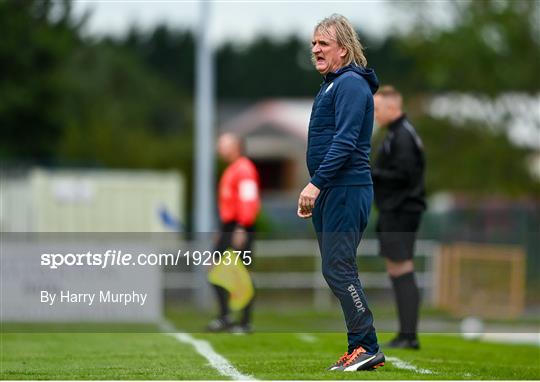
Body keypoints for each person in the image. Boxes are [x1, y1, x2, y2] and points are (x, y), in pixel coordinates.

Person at [297, 14, 384, 372]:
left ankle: (367, 346)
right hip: (334, 190)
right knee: (335, 269)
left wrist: (316, 184)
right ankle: (360, 347)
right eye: (314, 43)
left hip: (345, 188)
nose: (315, 49)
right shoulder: (332, 84)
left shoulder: (349, 84)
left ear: (343, 49)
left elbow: (346, 141)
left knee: (338, 267)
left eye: (324, 44)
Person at [372, 85, 426, 349]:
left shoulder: (403, 136)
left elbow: (405, 176)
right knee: (397, 268)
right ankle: (405, 333)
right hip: (395, 209)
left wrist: (371, 174)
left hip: (402, 210)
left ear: (393, 108)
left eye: (378, 109)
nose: (375, 114)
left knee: (402, 267)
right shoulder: (396, 134)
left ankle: (409, 335)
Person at [207, 133, 260, 333]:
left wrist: (242, 226)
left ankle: (244, 322)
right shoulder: (232, 169)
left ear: (235, 146)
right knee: (215, 271)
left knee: (243, 274)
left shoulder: (244, 169)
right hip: (229, 227)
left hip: (239, 227)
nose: (219, 148)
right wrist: (221, 230)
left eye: (222, 144)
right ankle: (226, 317)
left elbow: (248, 199)